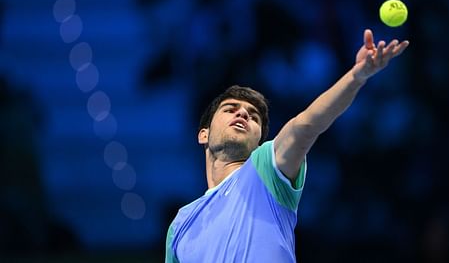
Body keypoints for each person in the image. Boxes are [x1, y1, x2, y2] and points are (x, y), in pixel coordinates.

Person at [165, 29, 410, 262]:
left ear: (259, 141)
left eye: (253, 116)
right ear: (203, 135)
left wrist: (357, 76)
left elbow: (306, 126)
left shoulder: (263, 170)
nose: (242, 115)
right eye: (230, 109)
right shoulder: (181, 224)